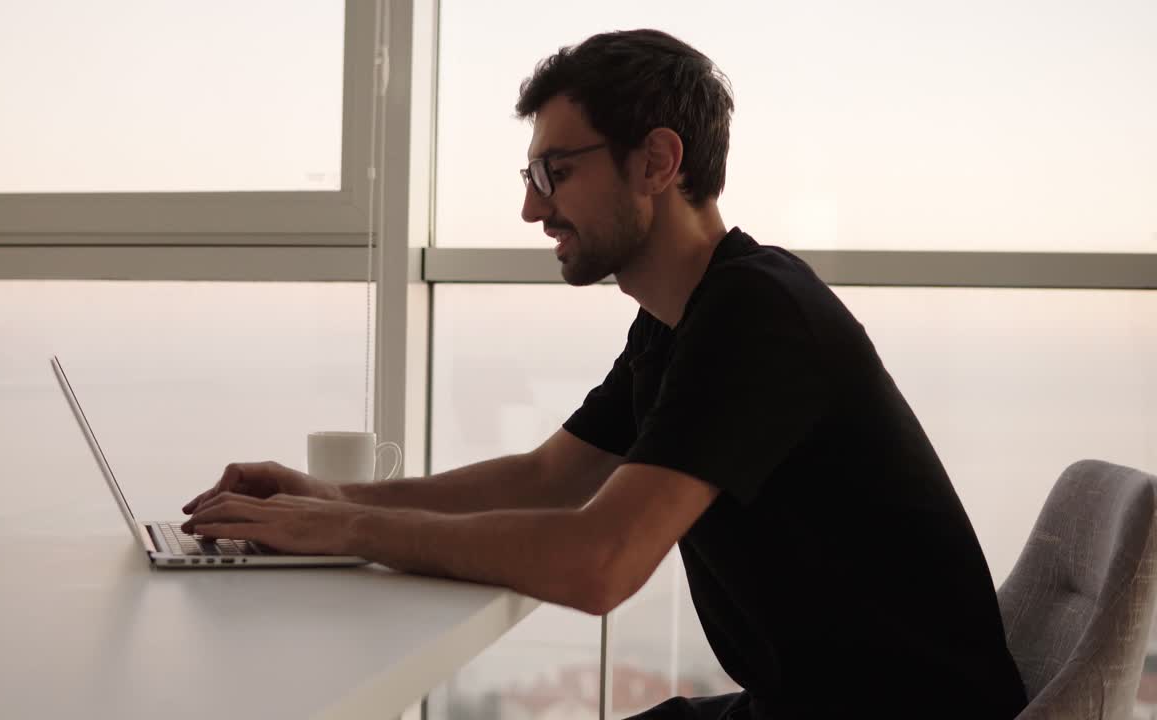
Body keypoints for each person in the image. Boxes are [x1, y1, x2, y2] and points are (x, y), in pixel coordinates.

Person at [182, 29, 1028, 720]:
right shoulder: (682, 319)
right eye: (532, 174)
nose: (532, 207)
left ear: (658, 162)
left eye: (558, 170)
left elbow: (601, 562)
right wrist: (326, 500)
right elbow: (549, 477)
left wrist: (349, 534)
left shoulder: (758, 316)